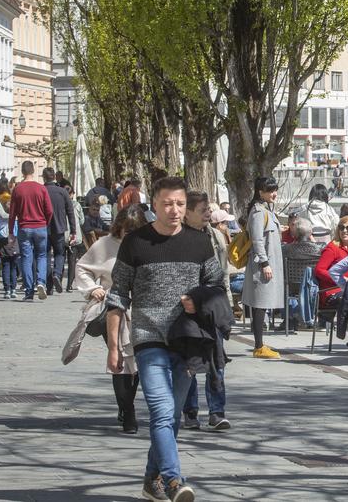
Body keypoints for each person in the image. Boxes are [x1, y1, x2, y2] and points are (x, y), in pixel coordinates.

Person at [105, 176, 224, 502]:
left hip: (187, 341)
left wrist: (197, 299)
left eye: (180, 204)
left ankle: (150, 480)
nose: (174, 210)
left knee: (171, 417)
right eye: (168, 203)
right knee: (160, 411)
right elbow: (117, 296)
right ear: (154, 204)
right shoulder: (136, 243)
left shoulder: (200, 243)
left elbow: (217, 287)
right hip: (149, 339)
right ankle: (174, 481)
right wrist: (114, 346)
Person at [75, 205, 148, 434]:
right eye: (127, 231)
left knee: (135, 361)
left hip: (141, 311)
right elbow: (83, 267)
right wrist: (93, 288)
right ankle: (128, 411)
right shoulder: (105, 245)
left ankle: (127, 404)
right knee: (119, 359)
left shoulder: (148, 245)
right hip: (113, 310)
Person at [181, 191, 233, 431]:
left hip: (211, 306)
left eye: (208, 210)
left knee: (216, 362)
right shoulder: (177, 238)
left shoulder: (215, 236)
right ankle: (190, 412)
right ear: (187, 213)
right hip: (186, 310)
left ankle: (216, 411)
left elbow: (221, 275)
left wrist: (226, 306)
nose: (208, 214)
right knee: (189, 363)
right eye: (203, 210)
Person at [240, 176, 285, 360]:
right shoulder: (259, 212)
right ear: (261, 192)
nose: (274, 193)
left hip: (268, 263)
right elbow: (257, 239)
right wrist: (265, 263)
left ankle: (260, 344)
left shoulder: (265, 210)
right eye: (270, 190)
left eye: (274, 190)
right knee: (260, 305)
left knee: (262, 304)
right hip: (263, 265)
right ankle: (258, 346)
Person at [9, 161, 54, 301]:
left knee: (26, 258)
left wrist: (11, 232)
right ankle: (41, 282)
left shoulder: (18, 189)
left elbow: (12, 213)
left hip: (24, 227)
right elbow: (49, 210)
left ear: (22, 171)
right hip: (40, 227)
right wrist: (45, 222)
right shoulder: (41, 188)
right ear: (33, 171)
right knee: (41, 256)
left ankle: (29, 291)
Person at [43, 167, 77, 295]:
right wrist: (73, 231)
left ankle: (49, 286)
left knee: (45, 256)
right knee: (59, 254)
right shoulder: (62, 192)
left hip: (44, 228)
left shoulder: (42, 190)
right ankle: (57, 273)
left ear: (44, 177)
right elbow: (70, 212)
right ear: (55, 177)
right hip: (59, 228)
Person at [314, 215, 348, 307]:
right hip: (332, 291)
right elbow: (319, 270)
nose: (344, 231)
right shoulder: (332, 248)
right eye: (341, 227)